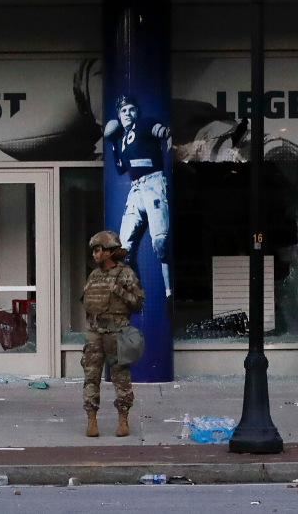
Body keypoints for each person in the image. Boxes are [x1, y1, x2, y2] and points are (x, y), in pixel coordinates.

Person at [103, 94, 173, 297]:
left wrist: (168, 137)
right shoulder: (122, 140)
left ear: (137, 112)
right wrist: (114, 143)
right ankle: (132, 292)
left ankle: (169, 292)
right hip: (135, 188)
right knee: (123, 249)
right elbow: (120, 169)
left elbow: (162, 132)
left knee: (160, 243)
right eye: (123, 110)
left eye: (131, 109)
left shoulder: (145, 124)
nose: (127, 113)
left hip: (153, 182)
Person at [81, 230, 144, 438]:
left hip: (116, 333)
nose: (94, 254)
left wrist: (119, 290)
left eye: (97, 250)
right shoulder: (94, 274)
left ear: (108, 252)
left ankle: (123, 419)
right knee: (91, 377)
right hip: (94, 333)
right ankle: (91, 420)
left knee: (121, 379)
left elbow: (138, 303)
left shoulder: (125, 274)